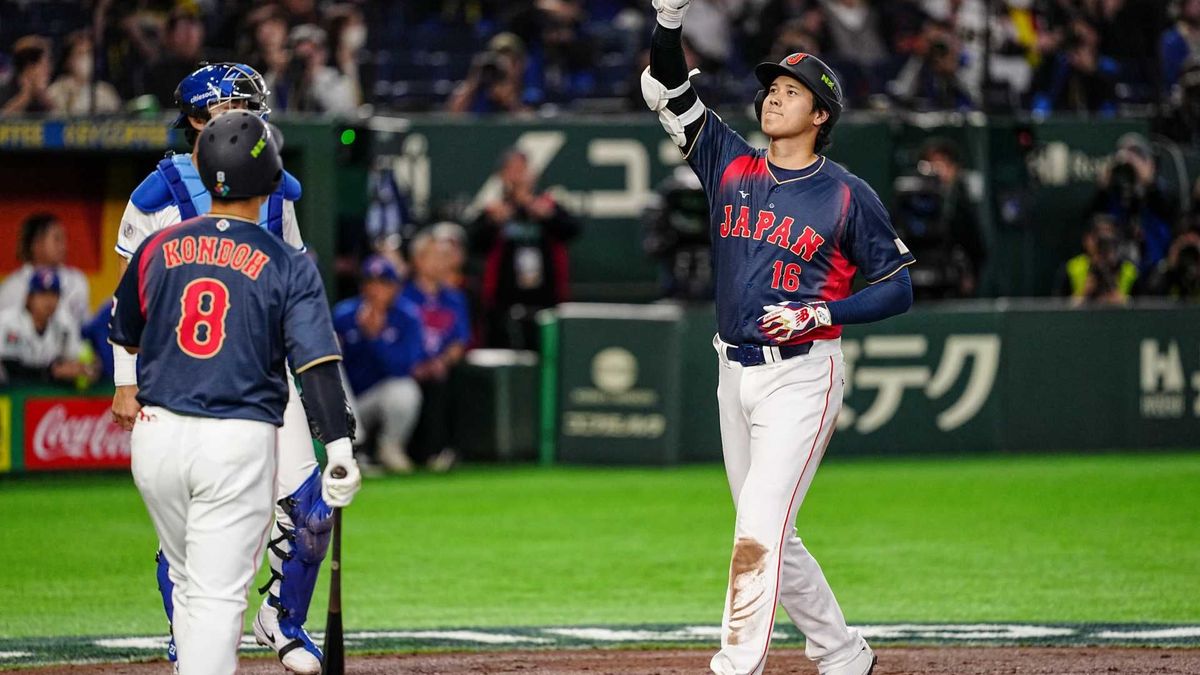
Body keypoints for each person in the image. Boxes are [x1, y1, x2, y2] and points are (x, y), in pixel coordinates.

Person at [644, 1, 919, 672]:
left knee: (758, 528)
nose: (774, 98)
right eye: (772, 87)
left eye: (792, 92)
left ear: (820, 115)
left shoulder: (846, 195)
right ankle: (842, 650)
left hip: (802, 371)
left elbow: (899, 286)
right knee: (774, 529)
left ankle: (736, 663)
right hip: (732, 369)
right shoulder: (730, 164)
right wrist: (670, 21)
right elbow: (670, 85)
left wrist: (822, 313)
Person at [109, 112, 360, 675]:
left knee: (188, 575)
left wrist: (129, 383)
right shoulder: (285, 262)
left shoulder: (160, 247)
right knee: (220, 597)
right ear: (270, 179)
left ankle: (239, 635)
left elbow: (123, 326)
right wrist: (339, 447)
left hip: (157, 440)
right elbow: (315, 360)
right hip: (237, 435)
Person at [470, 147, 580, 350]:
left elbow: (572, 230)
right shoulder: (494, 210)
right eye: (513, 170)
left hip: (545, 301)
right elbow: (475, 244)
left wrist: (546, 215)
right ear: (502, 176)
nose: (519, 177)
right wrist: (492, 222)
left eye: (523, 170)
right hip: (503, 305)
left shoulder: (548, 206)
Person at [333, 255, 425, 474]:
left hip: (376, 397)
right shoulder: (344, 315)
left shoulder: (406, 316)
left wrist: (375, 338)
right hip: (345, 403)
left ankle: (390, 447)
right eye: (369, 282)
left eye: (383, 283)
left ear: (395, 287)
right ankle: (349, 454)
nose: (375, 289)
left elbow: (403, 367)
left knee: (405, 391)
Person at [402, 231, 471, 471]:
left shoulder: (454, 298)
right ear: (418, 260)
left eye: (445, 257)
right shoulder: (403, 296)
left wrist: (443, 360)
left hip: (441, 368)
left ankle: (442, 451)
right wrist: (417, 364)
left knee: (453, 381)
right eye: (435, 256)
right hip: (408, 367)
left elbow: (459, 340)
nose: (443, 262)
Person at [0, 269, 96, 387]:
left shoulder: (64, 323)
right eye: (42, 294)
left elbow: (75, 357)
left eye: (54, 294)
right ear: (29, 298)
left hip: (47, 396)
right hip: (10, 396)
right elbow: (10, 369)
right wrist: (52, 372)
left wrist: (81, 369)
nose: (49, 301)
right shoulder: (8, 322)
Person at [0, 212, 92, 325]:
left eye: (63, 239)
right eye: (57, 239)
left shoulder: (77, 281)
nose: (63, 245)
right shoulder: (11, 288)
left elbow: (85, 326)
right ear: (36, 244)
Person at [1055, 215, 1138, 305]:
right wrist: (1083, 294)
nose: (1103, 245)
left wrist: (1122, 301)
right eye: (1098, 237)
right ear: (1086, 240)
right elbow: (1056, 310)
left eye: (1109, 238)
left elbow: (1145, 309)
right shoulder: (1071, 268)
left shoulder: (1130, 271)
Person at [46, 30, 123, 115]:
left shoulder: (105, 90)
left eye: (89, 53)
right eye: (80, 54)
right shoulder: (57, 90)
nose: (86, 58)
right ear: (68, 61)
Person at [0, 35, 54, 116]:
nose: (49, 69)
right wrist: (25, 97)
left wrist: (42, 96)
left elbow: (67, 120)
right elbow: (3, 118)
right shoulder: (5, 88)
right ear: (30, 67)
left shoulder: (53, 88)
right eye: (44, 65)